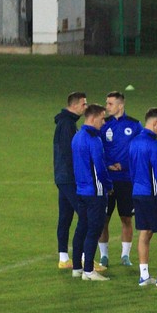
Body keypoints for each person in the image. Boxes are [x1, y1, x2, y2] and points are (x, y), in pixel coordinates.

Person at [71, 103, 112, 282]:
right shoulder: (94, 139)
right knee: (94, 230)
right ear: (93, 118)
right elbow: (100, 168)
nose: (104, 122)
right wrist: (109, 185)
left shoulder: (77, 136)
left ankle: (77, 267)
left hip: (81, 190)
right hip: (95, 192)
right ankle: (89, 270)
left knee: (81, 227)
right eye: (102, 118)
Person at [100, 90, 142, 267]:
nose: (107, 107)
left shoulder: (134, 125)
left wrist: (126, 165)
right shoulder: (103, 125)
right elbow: (97, 149)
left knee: (126, 218)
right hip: (107, 179)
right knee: (104, 219)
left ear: (120, 105)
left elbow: (141, 149)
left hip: (126, 179)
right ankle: (104, 256)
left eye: (110, 103)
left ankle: (125, 256)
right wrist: (108, 165)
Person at [128, 108, 157, 287]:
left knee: (145, 232)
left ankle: (144, 275)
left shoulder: (134, 142)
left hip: (137, 191)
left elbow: (131, 168)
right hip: (152, 194)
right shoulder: (154, 144)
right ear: (154, 123)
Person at [53, 91, 87, 270]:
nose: (85, 107)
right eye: (83, 104)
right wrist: (79, 174)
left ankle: (64, 258)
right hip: (69, 177)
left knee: (65, 216)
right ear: (74, 105)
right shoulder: (67, 124)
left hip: (63, 176)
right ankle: (82, 257)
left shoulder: (67, 122)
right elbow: (68, 153)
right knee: (85, 214)